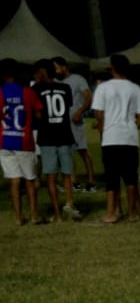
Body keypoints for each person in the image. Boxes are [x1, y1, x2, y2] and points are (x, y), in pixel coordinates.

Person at [90, 54, 140, 224]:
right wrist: (132, 128)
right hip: (130, 136)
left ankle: (111, 213)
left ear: (112, 68)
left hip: (110, 137)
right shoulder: (135, 88)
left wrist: (102, 124)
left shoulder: (104, 88)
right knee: (131, 178)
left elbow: (99, 112)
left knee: (112, 178)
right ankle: (131, 213)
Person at [31, 59, 82, 221]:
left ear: (41, 72)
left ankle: (57, 214)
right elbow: (65, 108)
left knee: (51, 176)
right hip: (64, 134)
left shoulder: (36, 88)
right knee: (67, 174)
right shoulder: (64, 87)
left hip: (47, 137)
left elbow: (37, 113)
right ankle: (69, 203)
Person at [1, 58, 45, 225]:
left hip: (4, 140)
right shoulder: (27, 91)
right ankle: (34, 215)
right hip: (23, 140)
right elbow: (39, 113)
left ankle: (19, 217)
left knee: (14, 180)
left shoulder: (0, 92)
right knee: (30, 179)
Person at [52, 57, 96, 193]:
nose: (55, 71)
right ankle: (73, 182)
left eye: (56, 68)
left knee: (82, 151)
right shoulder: (54, 81)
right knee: (66, 153)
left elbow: (89, 98)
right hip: (61, 122)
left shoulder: (78, 79)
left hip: (75, 121)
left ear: (64, 67)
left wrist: (80, 112)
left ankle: (91, 182)